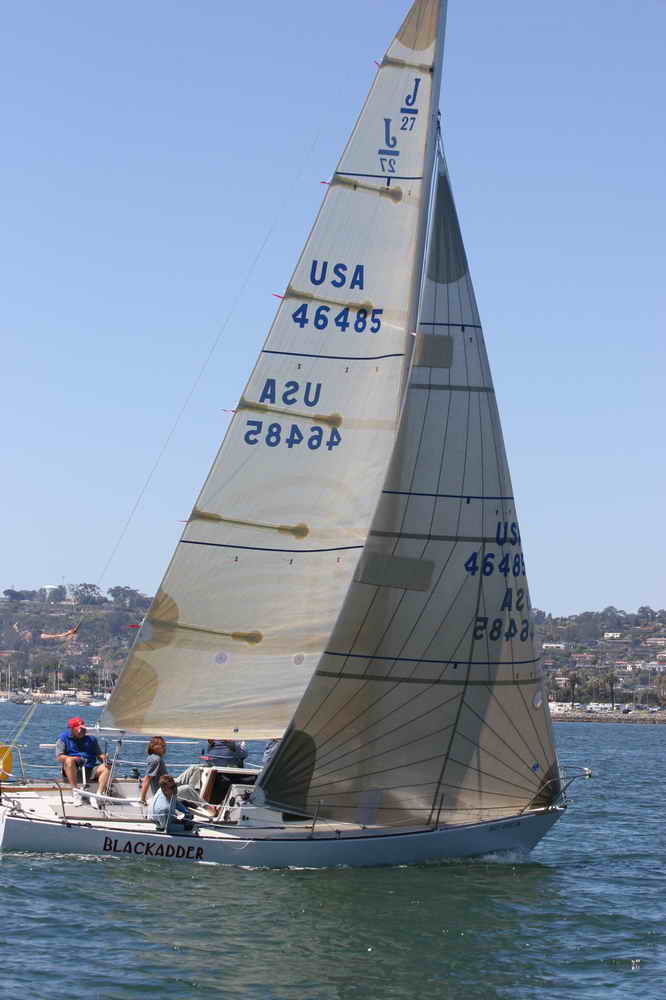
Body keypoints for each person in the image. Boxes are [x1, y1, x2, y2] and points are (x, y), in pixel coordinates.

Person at [138, 736, 216, 816]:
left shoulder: (154, 758)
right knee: (187, 788)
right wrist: (142, 799)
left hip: (169, 785)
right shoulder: (156, 760)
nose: (164, 748)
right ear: (154, 747)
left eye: (164, 745)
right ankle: (207, 807)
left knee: (194, 768)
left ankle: (192, 795)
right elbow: (147, 778)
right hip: (165, 792)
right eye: (162, 746)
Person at [55, 717, 111, 796]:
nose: (82, 731)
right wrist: (75, 759)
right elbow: (59, 757)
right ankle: (75, 790)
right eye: (79, 729)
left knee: (106, 767)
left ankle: (99, 794)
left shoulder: (91, 739)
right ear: (72, 729)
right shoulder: (63, 738)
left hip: (90, 768)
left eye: (83, 729)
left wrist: (105, 759)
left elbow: (99, 754)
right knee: (69, 760)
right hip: (72, 769)